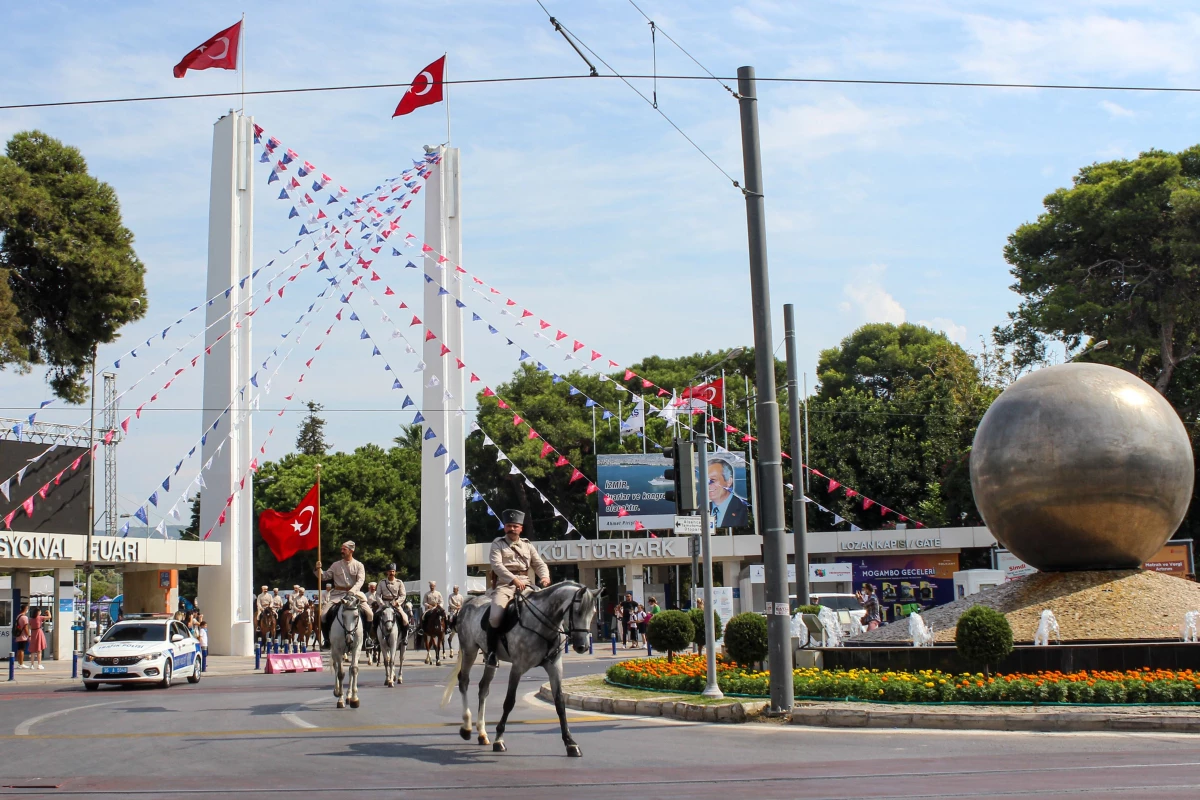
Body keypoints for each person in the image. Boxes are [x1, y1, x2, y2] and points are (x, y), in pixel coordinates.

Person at [484, 509, 550, 666]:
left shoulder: (528, 545)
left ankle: (547, 647)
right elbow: (497, 565)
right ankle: (491, 652)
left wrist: (545, 576)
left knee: (545, 609)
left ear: (521, 528)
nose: (512, 529)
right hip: (505, 585)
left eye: (515, 526)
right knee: (495, 617)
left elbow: (539, 563)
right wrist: (513, 580)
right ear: (505, 527)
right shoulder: (497, 544)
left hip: (527, 584)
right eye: (508, 526)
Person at [314, 540, 371, 648]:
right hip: (338, 595)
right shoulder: (336, 565)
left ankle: (367, 638)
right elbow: (325, 576)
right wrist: (318, 569)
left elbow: (360, 581)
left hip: (354, 594)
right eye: (341, 549)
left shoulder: (359, 565)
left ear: (351, 550)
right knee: (323, 615)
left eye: (344, 549)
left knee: (370, 614)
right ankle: (327, 640)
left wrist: (352, 591)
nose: (342, 551)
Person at [708, 458, 749, 528]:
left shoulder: (743, 509)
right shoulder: (700, 511)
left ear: (729, 481)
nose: (707, 485)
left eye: (712, 480)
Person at [375, 564, 408, 628]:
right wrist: (381, 603)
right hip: (384, 604)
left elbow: (403, 595)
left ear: (395, 572)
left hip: (395, 604)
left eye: (393, 571)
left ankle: (404, 636)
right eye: (390, 571)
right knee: (375, 617)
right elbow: (377, 594)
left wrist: (397, 602)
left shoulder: (399, 582)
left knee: (405, 619)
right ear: (387, 572)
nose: (391, 573)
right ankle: (374, 635)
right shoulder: (382, 582)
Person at [13, 603, 29, 669]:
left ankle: (19, 663)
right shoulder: (25, 617)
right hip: (23, 636)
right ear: (25, 609)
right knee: (22, 650)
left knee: (19, 649)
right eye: (27, 608)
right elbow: (25, 627)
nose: (27, 609)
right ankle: (22, 664)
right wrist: (29, 635)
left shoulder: (18, 616)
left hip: (18, 635)